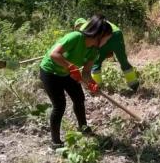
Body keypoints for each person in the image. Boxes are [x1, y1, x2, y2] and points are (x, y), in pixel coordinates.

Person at [39, 14, 112, 147]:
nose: (106, 42)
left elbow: (85, 73)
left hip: (68, 73)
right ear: (99, 35)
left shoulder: (94, 51)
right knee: (59, 106)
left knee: (79, 98)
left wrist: (92, 84)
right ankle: (55, 142)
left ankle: (83, 128)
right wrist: (71, 67)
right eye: (106, 39)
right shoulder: (75, 37)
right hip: (50, 72)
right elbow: (54, 54)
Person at [74, 18, 139, 91]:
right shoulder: (94, 23)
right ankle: (134, 85)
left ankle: (96, 88)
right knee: (123, 61)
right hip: (117, 34)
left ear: (77, 26)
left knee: (96, 63)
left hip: (103, 37)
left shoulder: (83, 30)